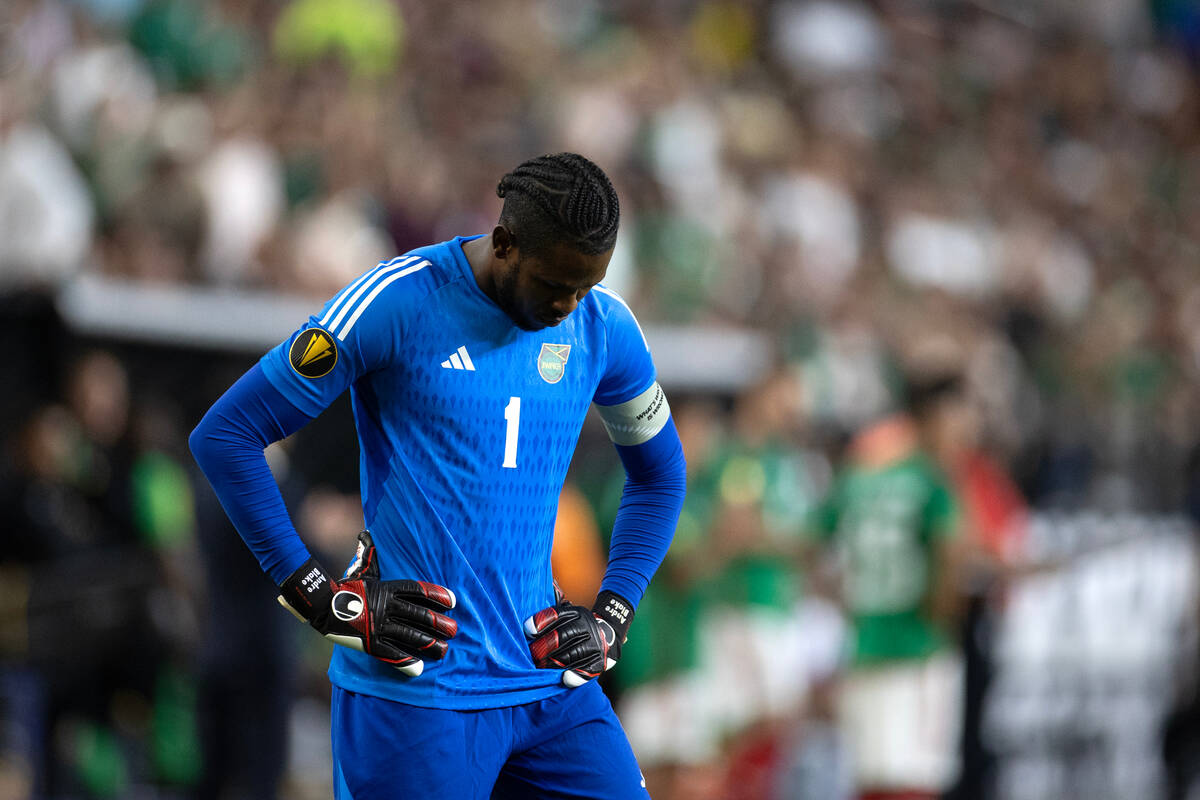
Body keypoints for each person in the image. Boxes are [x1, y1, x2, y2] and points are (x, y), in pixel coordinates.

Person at [189, 152, 687, 798]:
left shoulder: (605, 326)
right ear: (505, 243)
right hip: (417, 691)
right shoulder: (398, 301)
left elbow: (660, 477)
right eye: (554, 283)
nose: (568, 304)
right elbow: (226, 436)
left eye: (585, 286)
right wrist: (320, 599)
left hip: (549, 689)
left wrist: (612, 616)